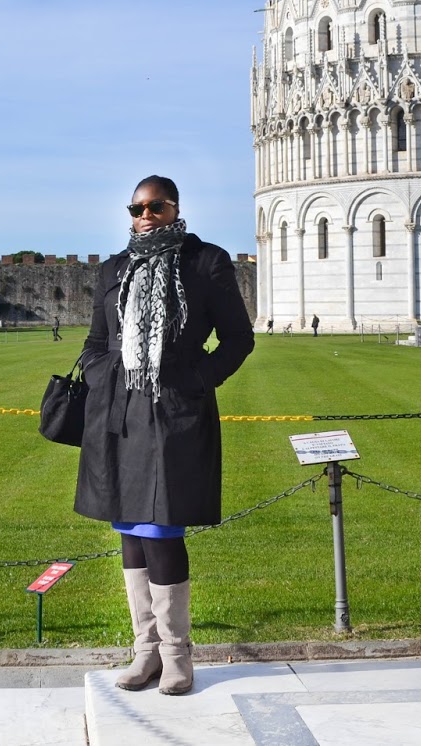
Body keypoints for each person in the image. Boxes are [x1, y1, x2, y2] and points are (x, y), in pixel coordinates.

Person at [75, 175, 254, 697]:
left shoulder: (205, 262)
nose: (144, 215)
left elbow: (238, 339)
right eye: (136, 207)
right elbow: (95, 338)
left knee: (163, 529)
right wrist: (98, 372)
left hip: (175, 411)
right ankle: (145, 652)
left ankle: (178, 656)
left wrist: (197, 379)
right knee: (131, 530)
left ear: (174, 208)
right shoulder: (115, 267)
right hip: (119, 411)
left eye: (154, 206)